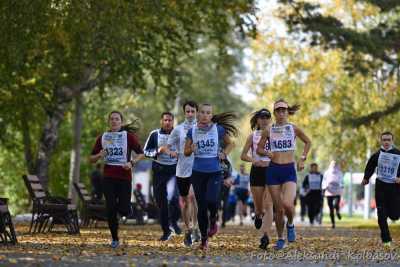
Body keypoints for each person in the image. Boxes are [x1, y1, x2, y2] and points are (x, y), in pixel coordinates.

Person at [257, 99, 311, 250]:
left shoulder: (293, 128)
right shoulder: (269, 130)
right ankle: (280, 238)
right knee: (278, 209)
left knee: (288, 204)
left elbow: (308, 142)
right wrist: (267, 152)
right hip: (273, 170)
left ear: (287, 112)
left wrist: (302, 158)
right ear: (274, 113)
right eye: (278, 111)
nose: (281, 113)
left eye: (283, 110)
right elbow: (259, 149)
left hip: (288, 170)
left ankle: (291, 224)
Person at [184, 104, 237, 251]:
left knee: (212, 201)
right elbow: (186, 152)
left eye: (208, 113)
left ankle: (213, 221)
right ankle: (204, 240)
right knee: (201, 207)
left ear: (211, 115)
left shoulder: (218, 129)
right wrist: (191, 149)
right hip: (197, 173)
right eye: (202, 112)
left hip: (214, 172)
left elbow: (231, 144)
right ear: (198, 114)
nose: (205, 115)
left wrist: (224, 153)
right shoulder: (191, 131)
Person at [90, 111, 144, 248]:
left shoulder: (128, 137)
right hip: (108, 177)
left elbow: (141, 154)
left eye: (117, 119)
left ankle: (127, 209)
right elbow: (91, 159)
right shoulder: (103, 137)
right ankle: (114, 238)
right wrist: (99, 155)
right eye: (112, 119)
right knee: (110, 208)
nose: (114, 121)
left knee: (124, 209)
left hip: (124, 177)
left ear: (121, 122)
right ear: (109, 122)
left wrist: (131, 163)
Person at [166, 100, 200, 247]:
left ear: (197, 112)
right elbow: (166, 147)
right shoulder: (178, 129)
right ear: (184, 112)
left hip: (198, 168)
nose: (190, 114)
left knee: (194, 198)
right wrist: (171, 152)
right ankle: (188, 230)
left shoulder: (202, 128)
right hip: (181, 170)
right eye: (188, 111)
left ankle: (197, 227)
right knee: (186, 202)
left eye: (193, 111)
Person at [144, 112, 182, 241]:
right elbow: (146, 152)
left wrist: (178, 154)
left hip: (174, 171)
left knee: (174, 198)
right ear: (161, 121)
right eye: (165, 120)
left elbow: (185, 151)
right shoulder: (155, 134)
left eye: (170, 120)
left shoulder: (178, 134)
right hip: (159, 171)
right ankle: (166, 231)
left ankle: (175, 221)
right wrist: (157, 151)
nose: (167, 122)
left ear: (173, 122)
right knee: (161, 202)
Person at [240, 108, 273, 249]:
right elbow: (243, 155)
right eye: (262, 117)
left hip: (271, 170)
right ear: (258, 120)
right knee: (259, 207)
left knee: (268, 204)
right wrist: (254, 160)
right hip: (257, 172)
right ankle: (258, 215)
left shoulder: (276, 134)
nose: (264, 119)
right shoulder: (252, 136)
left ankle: (265, 236)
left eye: (267, 117)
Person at [362, 131, 400, 247]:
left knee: (394, 215)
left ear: (392, 141)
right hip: (381, 186)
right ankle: (386, 240)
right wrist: (366, 178)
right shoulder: (377, 154)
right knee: (381, 214)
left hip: (394, 188)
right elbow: (370, 166)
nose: (386, 142)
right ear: (381, 141)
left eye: (389, 139)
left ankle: (390, 212)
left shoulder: (398, 154)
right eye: (384, 140)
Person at [322, 160, 344, 228]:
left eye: (335, 164)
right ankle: (333, 223)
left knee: (336, 204)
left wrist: (341, 186)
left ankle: (337, 212)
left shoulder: (339, 172)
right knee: (331, 208)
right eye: (332, 164)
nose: (334, 165)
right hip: (329, 191)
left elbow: (342, 181)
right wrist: (323, 189)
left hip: (337, 191)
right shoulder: (327, 172)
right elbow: (324, 181)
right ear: (330, 165)